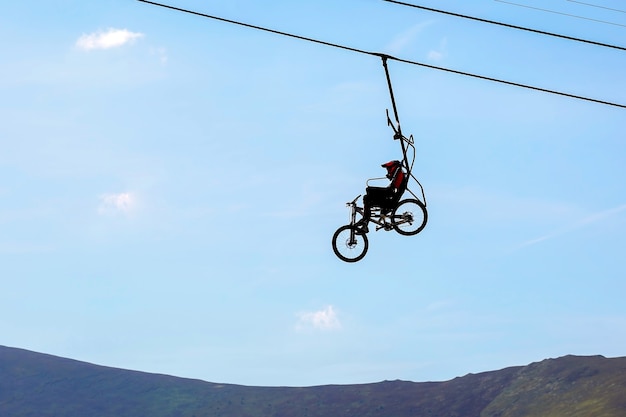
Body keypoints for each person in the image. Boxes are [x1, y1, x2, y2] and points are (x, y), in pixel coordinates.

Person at [357, 160, 406, 233]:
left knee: (368, 197)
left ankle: (365, 222)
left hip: (389, 200)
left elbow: (391, 190)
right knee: (368, 197)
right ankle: (365, 223)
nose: (387, 171)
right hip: (389, 196)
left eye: (388, 169)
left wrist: (371, 190)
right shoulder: (397, 174)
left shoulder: (399, 174)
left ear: (393, 168)